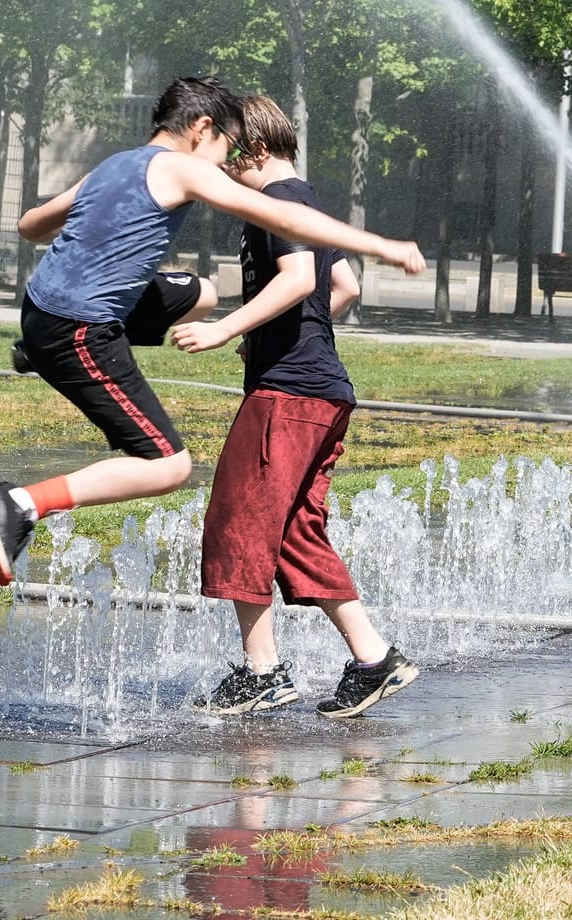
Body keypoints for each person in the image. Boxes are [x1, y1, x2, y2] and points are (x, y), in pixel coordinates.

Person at [0, 77, 425, 584]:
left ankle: (42, 353)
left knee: (203, 293)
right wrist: (380, 245)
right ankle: (20, 504)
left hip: (39, 312)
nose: (224, 162)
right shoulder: (185, 168)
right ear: (202, 128)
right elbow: (283, 217)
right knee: (168, 466)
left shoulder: (115, 164)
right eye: (225, 147)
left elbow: (31, 225)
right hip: (77, 328)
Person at [174, 95, 417, 718]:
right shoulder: (305, 201)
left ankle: (263, 673)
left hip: (290, 393)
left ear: (251, 151)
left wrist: (230, 329)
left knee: (240, 521)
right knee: (292, 533)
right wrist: (276, 333)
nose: (217, 168)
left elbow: (301, 280)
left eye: (224, 154)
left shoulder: (277, 202)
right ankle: (374, 660)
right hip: (320, 389)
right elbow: (345, 287)